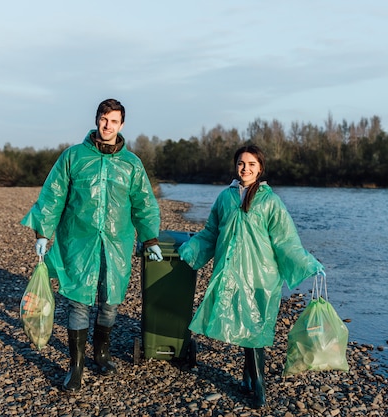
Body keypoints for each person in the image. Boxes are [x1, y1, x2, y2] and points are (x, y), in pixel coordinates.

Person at [21, 98, 163, 392]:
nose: (108, 125)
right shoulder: (73, 157)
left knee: (110, 302)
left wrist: (149, 238)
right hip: (79, 241)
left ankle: (101, 352)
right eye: (104, 119)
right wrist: (43, 233)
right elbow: (53, 195)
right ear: (97, 119)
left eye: (114, 121)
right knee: (79, 301)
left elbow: (143, 203)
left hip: (117, 242)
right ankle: (76, 367)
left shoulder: (132, 164)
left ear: (122, 125)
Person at [178, 144, 325, 408]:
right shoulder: (225, 198)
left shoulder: (270, 202)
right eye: (241, 164)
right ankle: (247, 380)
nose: (245, 169)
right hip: (232, 274)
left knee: (255, 331)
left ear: (260, 168)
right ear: (236, 167)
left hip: (261, 277)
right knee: (246, 329)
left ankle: (259, 387)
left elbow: (286, 241)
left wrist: (308, 263)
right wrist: (189, 250)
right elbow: (211, 233)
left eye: (251, 164)